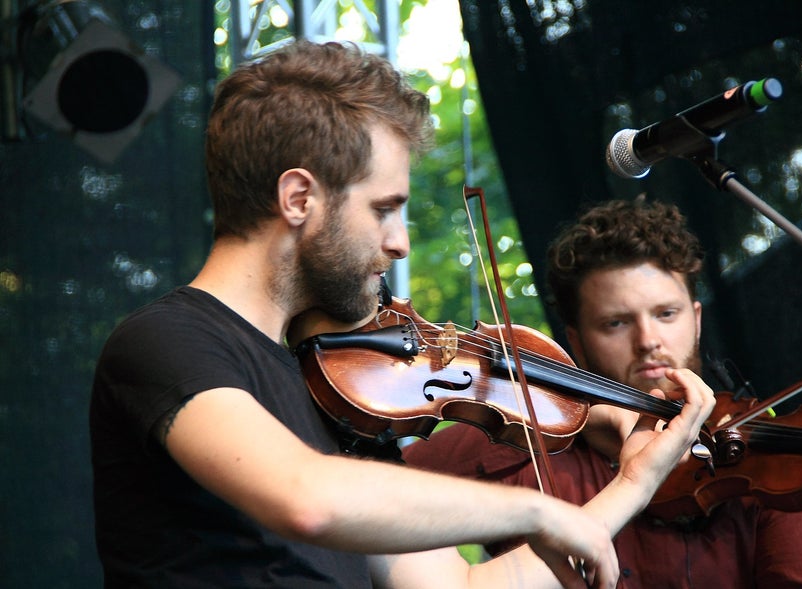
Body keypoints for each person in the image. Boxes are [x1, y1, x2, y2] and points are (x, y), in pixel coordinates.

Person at [88, 41, 718, 589]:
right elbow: (304, 498)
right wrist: (539, 512)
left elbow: (465, 586)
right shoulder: (164, 343)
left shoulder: (339, 392)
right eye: (384, 208)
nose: (400, 242)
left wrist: (633, 483)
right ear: (299, 197)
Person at [403, 198, 802, 588]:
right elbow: (370, 504)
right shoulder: (519, 433)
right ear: (576, 339)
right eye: (616, 322)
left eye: (666, 314)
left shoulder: (766, 459)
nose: (648, 340)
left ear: (696, 319)